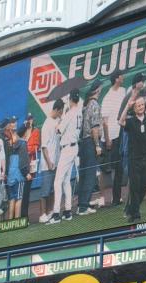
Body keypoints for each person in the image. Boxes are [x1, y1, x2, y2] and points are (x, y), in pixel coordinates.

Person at [119, 95, 146, 222]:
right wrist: (127, 107)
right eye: (138, 106)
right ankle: (135, 214)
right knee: (134, 186)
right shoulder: (130, 121)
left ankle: (131, 208)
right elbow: (120, 121)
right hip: (134, 158)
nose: (140, 107)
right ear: (134, 108)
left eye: (142, 105)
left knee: (145, 184)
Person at [47, 89, 82, 224]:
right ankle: (67, 211)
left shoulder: (70, 113)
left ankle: (56, 214)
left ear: (71, 100)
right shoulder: (78, 111)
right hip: (74, 147)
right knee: (66, 180)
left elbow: (59, 130)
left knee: (58, 181)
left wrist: (59, 123)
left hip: (68, 148)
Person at [97, 70, 126, 207]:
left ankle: (117, 198)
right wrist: (107, 139)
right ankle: (102, 198)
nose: (123, 77)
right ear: (116, 79)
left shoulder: (123, 91)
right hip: (110, 138)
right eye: (121, 76)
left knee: (118, 167)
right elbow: (105, 122)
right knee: (105, 169)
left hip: (121, 134)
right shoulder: (107, 97)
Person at [77, 80, 103, 215]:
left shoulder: (86, 104)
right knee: (90, 174)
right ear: (98, 89)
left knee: (84, 174)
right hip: (90, 142)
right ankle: (84, 206)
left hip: (83, 143)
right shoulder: (94, 104)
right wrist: (97, 145)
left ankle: (81, 204)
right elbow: (95, 127)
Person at [39, 99, 64, 223]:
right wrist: (49, 162)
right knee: (45, 190)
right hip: (47, 163)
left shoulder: (58, 121)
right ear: (57, 110)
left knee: (54, 188)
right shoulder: (46, 124)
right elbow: (44, 147)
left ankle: (50, 211)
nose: (62, 113)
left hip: (57, 161)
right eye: (61, 111)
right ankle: (42, 214)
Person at [5, 128, 31, 219]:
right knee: (19, 198)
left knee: (12, 199)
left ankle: (10, 220)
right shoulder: (23, 144)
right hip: (18, 176)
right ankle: (17, 221)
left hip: (10, 176)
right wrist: (26, 173)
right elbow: (23, 161)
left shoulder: (10, 145)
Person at [18, 114, 40, 218]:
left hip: (30, 164)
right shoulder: (22, 131)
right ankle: (18, 216)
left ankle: (24, 215)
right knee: (19, 192)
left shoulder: (35, 131)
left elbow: (35, 146)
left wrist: (26, 149)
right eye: (28, 120)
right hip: (21, 164)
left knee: (26, 191)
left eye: (31, 119)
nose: (30, 121)